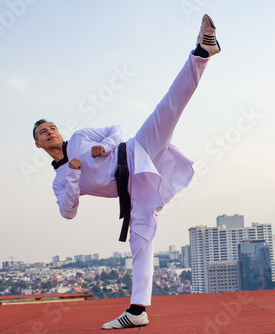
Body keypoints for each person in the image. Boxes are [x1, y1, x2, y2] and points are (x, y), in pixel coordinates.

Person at [33, 14, 220, 329]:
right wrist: (75, 174)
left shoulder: (79, 137)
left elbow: (116, 128)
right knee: (141, 241)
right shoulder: (60, 180)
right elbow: (68, 212)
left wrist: (104, 147)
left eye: (52, 127)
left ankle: (202, 52)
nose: (50, 132)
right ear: (38, 145)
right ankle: (137, 311)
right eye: (43, 132)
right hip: (132, 190)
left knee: (168, 108)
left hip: (135, 150)